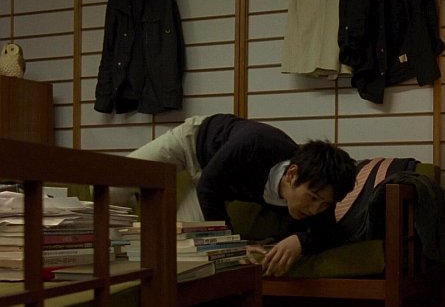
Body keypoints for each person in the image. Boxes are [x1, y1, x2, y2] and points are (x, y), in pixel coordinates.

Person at [115, 113, 358, 276]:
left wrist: (300, 241)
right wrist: (233, 245)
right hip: (192, 144)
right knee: (114, 183)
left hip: (215, 185)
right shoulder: (254, 143)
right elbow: (208, 187)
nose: (315, 209)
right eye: (313, 198)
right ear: (292, 174)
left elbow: (331, 231)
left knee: (179, 248)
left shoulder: (318, 190)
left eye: (324, 204)